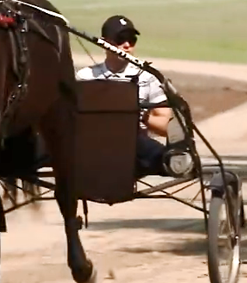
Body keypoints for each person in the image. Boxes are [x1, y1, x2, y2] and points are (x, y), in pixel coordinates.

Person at [75, 14, 193, 178]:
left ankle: (174, 163)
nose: (127, 45)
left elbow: (166, 126)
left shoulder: (148, 77)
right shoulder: (84, 77)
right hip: (92, 143)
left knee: (166, 157)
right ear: (104, 42)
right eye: (120, 39)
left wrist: (141, 115)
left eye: (132, 40)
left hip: (132, 143)